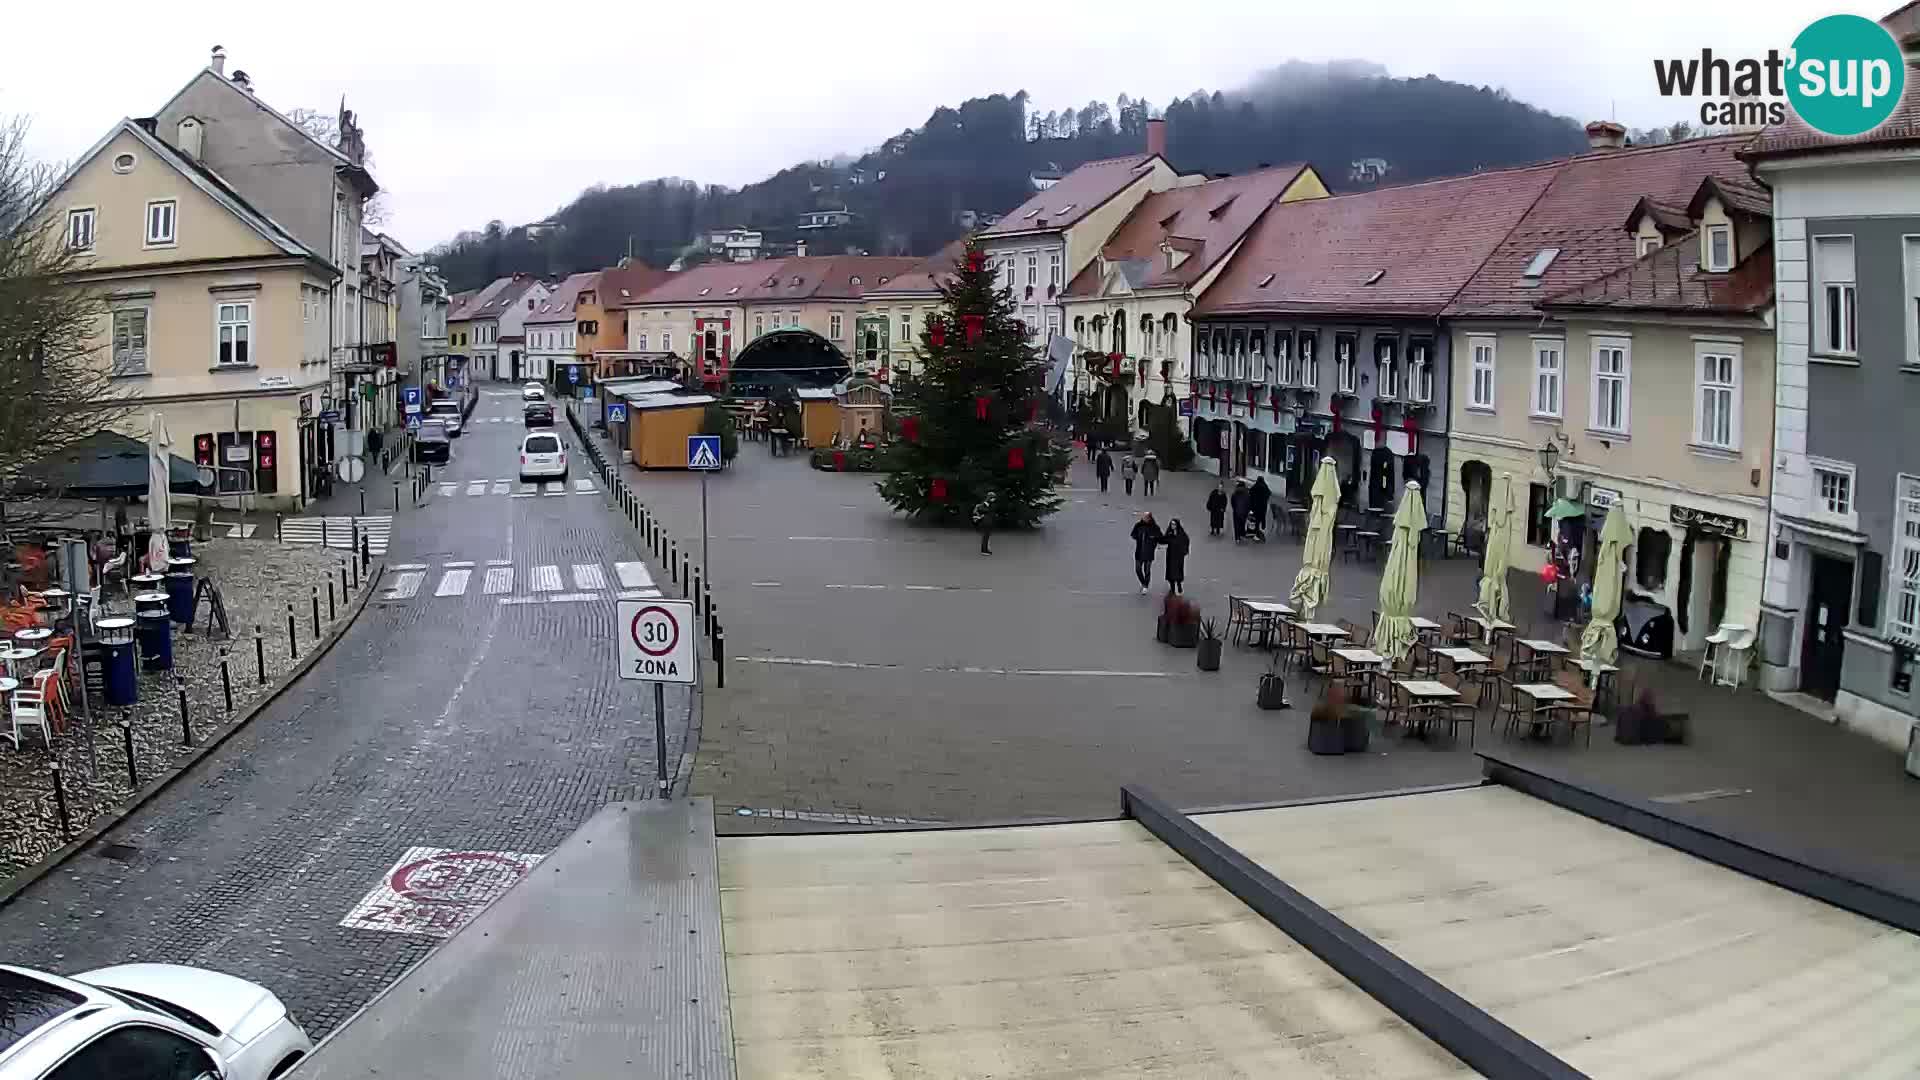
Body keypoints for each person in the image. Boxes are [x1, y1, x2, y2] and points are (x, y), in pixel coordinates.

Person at [1129, 512, 1163, 594]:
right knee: (1138, 569)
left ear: (1149, 518)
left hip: (1149, 552)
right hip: (1139, 551)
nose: (1143, 518)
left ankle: (1145, 586)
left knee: (1147, 570)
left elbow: (1160, 537)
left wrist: (1154, 539)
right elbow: (1133, 534)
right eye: (1143, 517)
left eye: (1145, 517)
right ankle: (1143, 583)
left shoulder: (1154, 527)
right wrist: (1137, 537)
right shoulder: (1138, 525)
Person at [1162, 518, 1190, 594]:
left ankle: (1179, 584)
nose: (1173, 526)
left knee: (1178, 571)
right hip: (1170, 555)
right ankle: (1172, 587)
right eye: (1171, 524)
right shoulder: (1169, 532)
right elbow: (1164, 540)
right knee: (1170, 571)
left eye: (1174, 524)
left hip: (1179, 556)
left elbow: (1186, 541)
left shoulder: (1181, 533)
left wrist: (1184, 551)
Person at [1247, 476, 1272, 542]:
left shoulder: (1255, 487)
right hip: (1263, 507)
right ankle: (1262, 530)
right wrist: (1265, 499)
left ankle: (1257, 534)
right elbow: (1269, 493)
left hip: (1256, 507)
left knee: (1257, 521)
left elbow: (1250, 493)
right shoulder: (1265, 487)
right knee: (1263, 518)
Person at [973, 491, 996, 556]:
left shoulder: (989, 503)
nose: (994, 499)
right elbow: (981, 509)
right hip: (985, 521)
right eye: (993, 497)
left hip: (988, 521)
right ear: (990, 497)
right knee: (985, 536)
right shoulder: (985, 503)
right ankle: (984, 550)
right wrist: (988, 510)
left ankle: (986, 550)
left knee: (987, 536)